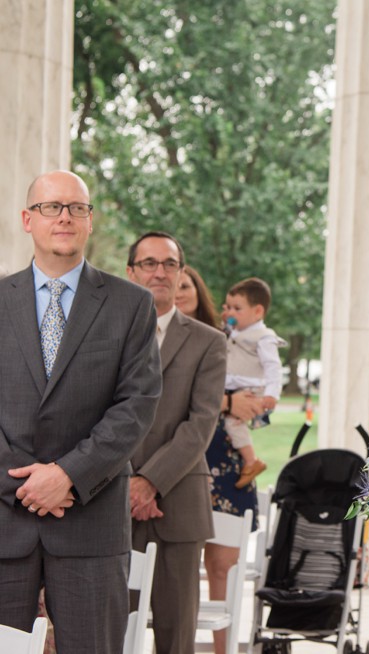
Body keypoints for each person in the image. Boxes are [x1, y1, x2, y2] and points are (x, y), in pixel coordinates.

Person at [0, 170, 161, 653]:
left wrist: (67, 474)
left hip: (91, 525)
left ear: (91, 221)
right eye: (52, 207)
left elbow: (137, 405)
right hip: (5, 521)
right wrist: (25, 485)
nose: (64, 217)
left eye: (77, 208)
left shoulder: (131, 305)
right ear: (28, 219)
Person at [126, 232, 227, 654]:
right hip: (112, 501)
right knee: (110, 629)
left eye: (169, 264)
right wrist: (126, 484)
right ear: (130, 272)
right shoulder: (103, 335)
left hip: (178, 503)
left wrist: (149, 481)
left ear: (182, 273)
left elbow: (200, 424)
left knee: (177, 635)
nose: (159, 272)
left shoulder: (209, 341)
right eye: (149, 263)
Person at [176, 273, 264, 654]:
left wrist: (251, 405)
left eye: (185, 286)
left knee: (222, 566)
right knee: (175, 570)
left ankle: (222, 650)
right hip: (179, 463)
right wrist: (227, 403)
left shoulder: (225, 339)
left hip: (226, 463)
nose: (178, 292)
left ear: (199, 295)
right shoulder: (151, 336)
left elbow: (255, 405)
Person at [221, 277, 283, 489]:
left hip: (250, 387)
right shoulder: (235, 331)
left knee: (233, 422)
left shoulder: (264, 337)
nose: (230, 312)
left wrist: (272, 394)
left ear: (258, 311)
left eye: (237, 308)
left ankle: (251, 461)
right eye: (228, 307)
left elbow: (273, 366)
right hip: (232, 385)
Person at [176, 265, 221, 329]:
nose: (178, 295)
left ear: (198, 290)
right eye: (172, 289)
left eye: (184, 287)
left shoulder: (220, 335)